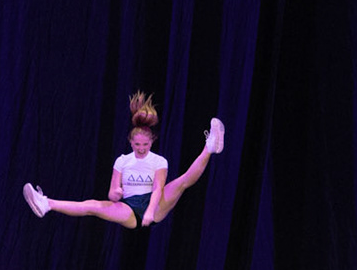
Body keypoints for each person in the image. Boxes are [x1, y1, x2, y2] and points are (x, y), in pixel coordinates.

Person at [23, 91, 225, 229]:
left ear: (152, 141)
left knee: (182, 182)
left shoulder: (159, 161)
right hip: (129, 209)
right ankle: (46, 204)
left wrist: (150, 212)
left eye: (145, 145)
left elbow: (157, 189)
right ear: (130, 142)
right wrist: (116, 193)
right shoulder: (122, 161)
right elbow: (111, 194)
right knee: (93, 206)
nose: (141, 149)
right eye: (137, 145)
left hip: (155, 205)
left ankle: (210, 146)